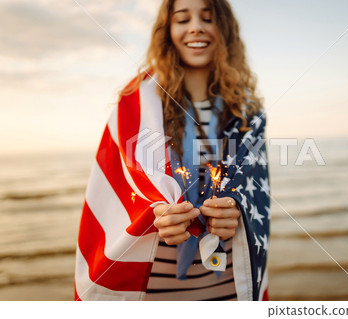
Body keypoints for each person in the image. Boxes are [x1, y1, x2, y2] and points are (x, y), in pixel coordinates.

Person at [74, 0, 270, 301]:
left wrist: (237, 210)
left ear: (224, 30)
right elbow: (118, 185)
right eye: (182, 19)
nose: (196, 27)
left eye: (208, 18)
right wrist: (154, 211)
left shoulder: (245, 111)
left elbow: (257, 191)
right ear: (167, 31)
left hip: (228, 283)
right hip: (154, 283)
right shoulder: (136, 105)